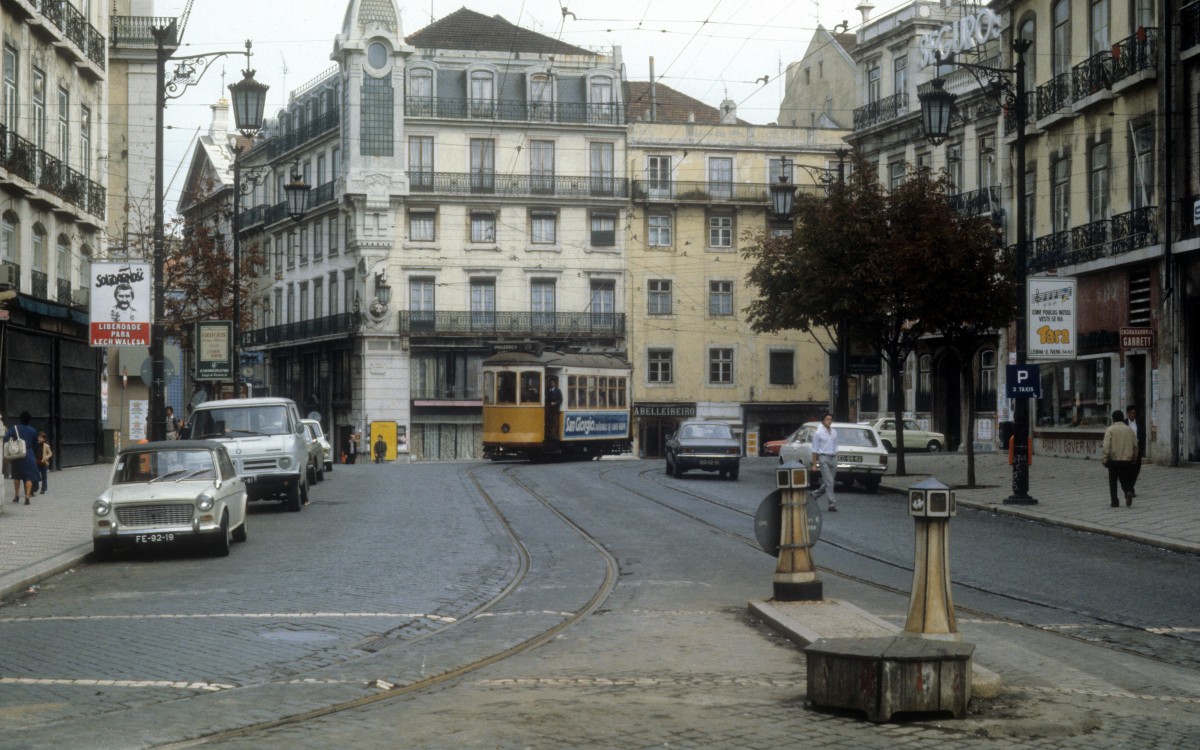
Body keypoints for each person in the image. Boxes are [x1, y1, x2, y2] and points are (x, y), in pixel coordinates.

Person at [1101, 409, 1139, 507]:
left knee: (1113, 481)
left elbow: (1106, 446)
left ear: (1113, 419)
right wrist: (1134, 459)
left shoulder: (1110, 430)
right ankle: (1127, 492)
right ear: (1123, 418)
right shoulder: (1129, 430)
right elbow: (1135, 446)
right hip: (1126, 460)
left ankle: (1115, 501)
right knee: (1124, 478)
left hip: (1113, 460)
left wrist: (1105, 459)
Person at [4, 411, 39, 505]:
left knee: (16, 476)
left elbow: (6, 437)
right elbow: (36, 445)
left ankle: (16, 496)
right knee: (29, 477)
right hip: (29, 454)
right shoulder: (33, 430)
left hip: (18, 454)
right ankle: (27, 496)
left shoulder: (15, 428)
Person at [810, 413, 839, 512]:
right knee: (830, 482)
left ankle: (814, 495)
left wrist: (836, 456)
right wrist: (814, 464)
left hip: (833, 458)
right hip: (823, 458)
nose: (829, 421)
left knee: (829, 482)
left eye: (831, 419)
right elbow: (814, 449)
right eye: (827, 419)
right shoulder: (818, 433)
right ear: (823, 421)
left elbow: (835, 445)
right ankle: (832, 504)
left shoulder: (834, 432)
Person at [1125, 405, 1144, 494]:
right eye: (1131, 413)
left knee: (1137, 469)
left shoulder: (1139, 422)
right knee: (1128, 470)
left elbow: (1143, 435)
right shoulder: (1124, 423)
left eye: (1134, 413)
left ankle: (1130, 486)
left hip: (1137, 449)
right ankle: (1130, 488)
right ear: (1127, 414)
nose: (1133, 415)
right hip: (1127, 449)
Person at [545, 375, 563, 441]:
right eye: (551, 383)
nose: (552, 384)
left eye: (553, 383)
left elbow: (560, 399)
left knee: (555, 422)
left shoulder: (558, 390)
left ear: (555, 383)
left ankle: (554, 434)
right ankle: (548, 434)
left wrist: (555, 403)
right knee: (548, 421)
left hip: (555, 408)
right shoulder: (547, 390)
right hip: (548, 408)